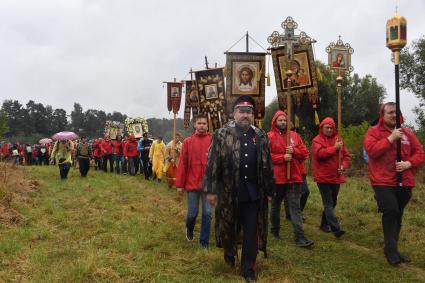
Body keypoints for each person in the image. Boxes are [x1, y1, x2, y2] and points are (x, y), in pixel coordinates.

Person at [203, 95, 274, 282]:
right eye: (241, 111)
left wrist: (268, 191)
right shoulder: (221, 134)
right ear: (233, 113)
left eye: (248, 112)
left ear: (253, 115)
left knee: (251, 231)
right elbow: (212, 163)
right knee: (228, 228)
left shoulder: (260, 136)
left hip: (253, 193)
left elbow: (267, 164)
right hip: (228, 192)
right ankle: (229, 251)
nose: (245, 115)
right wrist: (210, 190)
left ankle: (248, 268)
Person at [364, 102, 424, 265]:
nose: (393, 115)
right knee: (391, 210)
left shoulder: (407, 133)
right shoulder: (373, 132)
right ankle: (390, 251)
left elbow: (420, 152)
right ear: (382, 115)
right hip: (382, 180)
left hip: (404, 181)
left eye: (396, 112)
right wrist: (391, 138)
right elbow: (372, 151)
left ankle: (393, 248)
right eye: (390, 112)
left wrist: (409, 164)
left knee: (397, 215)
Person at [268, 110, 314, 247]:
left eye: (284, 120)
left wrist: (294, 151)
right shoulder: (269, 137)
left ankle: (300, 237)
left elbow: (305, 153)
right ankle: (275, 230)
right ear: (275, 122)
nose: (283, 122)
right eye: (280, 120)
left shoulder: (295, 136)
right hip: (278, 179)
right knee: (276, 205)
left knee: (295, 207)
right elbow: (265, 157)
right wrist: (282, 157)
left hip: (294, 177)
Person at [176, 114, 212, 248]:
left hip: (209, 184)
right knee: (192, 213)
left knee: (207, 213)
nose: (202, 125)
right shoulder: (188, 142)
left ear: (207, 125)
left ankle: (204, 242)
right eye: (199, 123)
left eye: (204, 123)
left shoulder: (213, 140)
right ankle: (190, 228)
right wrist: (180, 184)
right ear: (194, 125)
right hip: (192, 183)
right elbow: (183, 164)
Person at [312, 117, 350, 237]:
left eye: (331, 127)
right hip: (323, 177)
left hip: (336, 177)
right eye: (326, 127)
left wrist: (343, 167)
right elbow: (320, 155)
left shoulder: (338, 140)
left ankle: (324, 224)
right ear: (322, 128)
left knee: (333, 202)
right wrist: (334, 148)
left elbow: (346, 156)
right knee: (328, 203)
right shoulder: (316, 140)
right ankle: (336, 228)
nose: (329, 129)